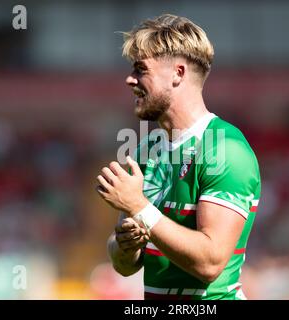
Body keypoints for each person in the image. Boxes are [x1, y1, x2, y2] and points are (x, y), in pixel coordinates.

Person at [97, 14, 261, 300]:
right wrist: (125, 246)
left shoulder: (224, 148)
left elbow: (210, 262)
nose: (129, 79)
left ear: (178, 73)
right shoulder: (146, 150)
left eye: (140, 69)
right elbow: (124, 265)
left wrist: (139, 207)